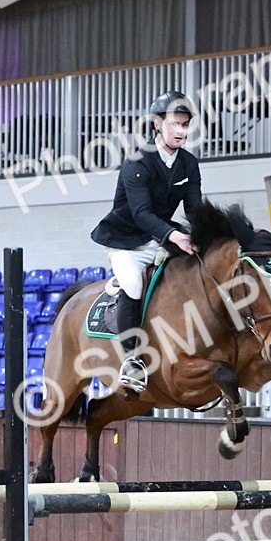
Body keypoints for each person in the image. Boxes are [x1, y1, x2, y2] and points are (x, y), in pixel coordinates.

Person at [90, 90, 203, 393]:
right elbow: (141, 214)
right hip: (126, 239)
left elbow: (195, 209)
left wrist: (209, 236)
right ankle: (131, 360)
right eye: (174, 124)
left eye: (184, 125)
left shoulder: (189, 164)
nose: (181, 131)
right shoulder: (136, 162)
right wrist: (176, 236)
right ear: (157, 124)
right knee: (133, 284)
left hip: (161, 234)